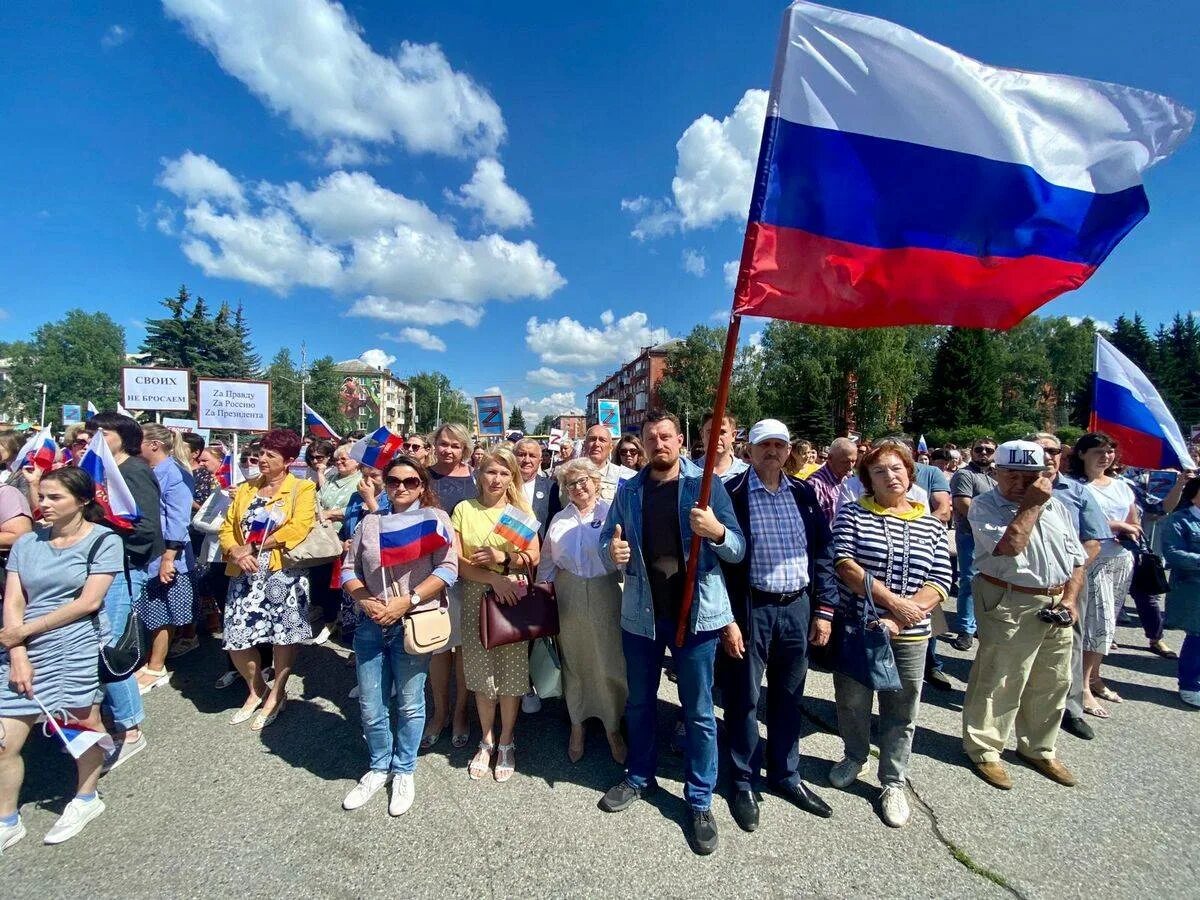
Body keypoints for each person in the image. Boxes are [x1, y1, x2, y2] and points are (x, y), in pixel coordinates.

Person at [597, 411, 745, 856]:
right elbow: (607, 545)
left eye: (666, 436)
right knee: (640, 702)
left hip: (695, 616)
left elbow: (737, 549)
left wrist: (716, 531)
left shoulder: (705, 487)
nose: (659, 443)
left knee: (698, 711)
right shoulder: (629, 490)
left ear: (680, 440)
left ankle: (699, 799)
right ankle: (639, 776)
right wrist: (613, 550)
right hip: (642, 617)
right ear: (642, 444)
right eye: (651, 437)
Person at [717, 419, 836, 832]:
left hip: (798, 608)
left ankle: (786, 775)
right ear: (748, 450)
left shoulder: (804, 493)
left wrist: (824, 610)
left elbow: (824, 553)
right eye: (764, 445)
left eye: (780, 445)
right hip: (753, 609)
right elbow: (718, 566)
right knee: (744, 699)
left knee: (789, 696)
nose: (773, 452)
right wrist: (728, 620)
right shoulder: (731, 495)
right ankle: (744, 780)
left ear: (790, 452)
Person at [827, 442, 951, 828]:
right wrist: (893, 602)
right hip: (859, 626)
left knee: (901, 707)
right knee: (852, 698)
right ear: (867, 479)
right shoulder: (852, 513)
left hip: (910, 632)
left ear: (910, 474)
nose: (890, 476)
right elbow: (845, 564)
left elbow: (941, 578)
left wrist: (902, 616)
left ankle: (893, 780)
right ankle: (854, 755)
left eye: (897, 469)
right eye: (879, 471)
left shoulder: (930, 523)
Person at [0, 467, 124, 848]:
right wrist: (17, 650)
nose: (44, 504)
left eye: (55, 498)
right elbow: (15, 601)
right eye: (43, 496)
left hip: (74, 644)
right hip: (22, 647)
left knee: (81, 724)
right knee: (5, 741)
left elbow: (89, 601)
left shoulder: (104, 541)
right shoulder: (26, 544)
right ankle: (7, 817)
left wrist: (24, 631)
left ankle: (86, 797)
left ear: (83, 501)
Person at [963, 441, 1087, 790]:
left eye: (1029, 476)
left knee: (1053, 680)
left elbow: (1076, 559)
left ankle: (1038, 747)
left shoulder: (1058, 507)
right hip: (1009, 599)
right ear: (995, 473)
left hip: (1056, 602)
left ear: (1045, 475)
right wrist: (1032, 503)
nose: (1019, 483)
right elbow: (1010, 546)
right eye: (1010, 474)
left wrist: (1071, 600)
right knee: (1001, 677)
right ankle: (984, 749)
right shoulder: (986, 507)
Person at [340, 456, 459, 815]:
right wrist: (365, 600)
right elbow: (349, 568)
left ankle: (404, 769)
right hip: (371, 623)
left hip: (412, 620)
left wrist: (408, 600)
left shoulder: (434, 519)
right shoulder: (370, 522)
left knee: (409, 702)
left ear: (422, 485)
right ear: (384, 484)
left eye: (410, 481)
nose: (401, 488)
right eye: (393, 481)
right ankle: (378, 766)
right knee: (371, 704)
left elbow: (448, 567)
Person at [451, 446, 541, 783]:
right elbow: (458, 561)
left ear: (512, 477)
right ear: (479, 473)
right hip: (477, 593)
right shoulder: (464, 509)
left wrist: (504, 561)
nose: (497, 479)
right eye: (491, 471)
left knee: (512, 672)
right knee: (481, 671)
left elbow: (533, 555)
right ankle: (486, 739)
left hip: (512, 596)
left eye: (505, 473)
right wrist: (492, 577)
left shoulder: (518, 511)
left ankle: (506, 741)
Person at [218, 429, 317, 731]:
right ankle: (256, 689)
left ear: (287, 461)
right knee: (235, 638)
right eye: (261, 453)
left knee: (282, 636)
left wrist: (259, 545)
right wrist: (235, 550)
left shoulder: (302, 488)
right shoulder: (247, 489)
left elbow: (299, 527)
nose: (261, 459)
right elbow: (227, 528)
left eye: (270, 455)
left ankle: (277, 694)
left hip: (282, 573)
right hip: (244, 573)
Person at [536, 459, 627, 763]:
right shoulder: (560, 519)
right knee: (574, 662)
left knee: (609, 661)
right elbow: (547, 560)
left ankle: (613, 725)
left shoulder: (613, 513)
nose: (579, 487)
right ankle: (578, 724)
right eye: (571, 483)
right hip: (568, 594)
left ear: (597, 481)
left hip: (606, 591)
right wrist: (542, 594)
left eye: (584, 480)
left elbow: (626, 555)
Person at [83, 412, 160, 771]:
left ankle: (130, 730)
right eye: (90, 431)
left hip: (119, 567)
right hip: (90, 567)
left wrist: (105, 532)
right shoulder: (96, 469)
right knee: (92, 644)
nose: (92, 437)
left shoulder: (134, 471)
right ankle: (101, 718)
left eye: (101, 432)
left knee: (112, 646)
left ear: (122, 437)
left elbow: (144, 527)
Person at [1070, 432, 1138, 718]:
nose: (1106, 455)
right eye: (1099, 450)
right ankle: (1082, 686)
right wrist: (1117, 524)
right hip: (1092, 560)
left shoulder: (1123, 486)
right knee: (1097, 623)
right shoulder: (1074, 486)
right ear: (1082, 453)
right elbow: (1078, 522)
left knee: (1107, 627)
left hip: (1120, 559)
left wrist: (1128, 528)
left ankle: (1095, 676)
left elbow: (1134, 519)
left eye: (1110, 450)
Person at [423, 422, 477, 749]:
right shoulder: (421, 476)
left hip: (466, 574)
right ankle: (439, 711)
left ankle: (460, 712)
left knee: (463, 650)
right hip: (428, 573)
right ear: (434, 444)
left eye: (455, 446)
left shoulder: (475, 480)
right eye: (443, 443)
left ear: (465, 450)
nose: (448, 450)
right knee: (438, 647)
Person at [133, 424, 198, 694]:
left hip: (168, 555)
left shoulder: (174, 473)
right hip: (149, 553)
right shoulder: (149, 471)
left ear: (154, 445)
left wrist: (168, 557)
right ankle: (150, 658)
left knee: (162, 611)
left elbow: (179, 519)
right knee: (150, 609)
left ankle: (157, 665)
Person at [1123, 465, 1191, 657]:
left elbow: (1160, 509)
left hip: (1136, 552)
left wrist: (1179, 484)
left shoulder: (1128, 486)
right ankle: (1103, 641)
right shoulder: (1079, 486)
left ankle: (1156, 638)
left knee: (1147, 597)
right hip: (1101, 554)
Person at [949, 437, 998, 651]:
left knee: (992, 582)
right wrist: (990, 523)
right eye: (979, 449)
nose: (983, 453)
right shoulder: (964, 474)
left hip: (995, 538)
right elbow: (963, 505)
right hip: (971, 535)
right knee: (969, 581)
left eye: (988, 450)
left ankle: (981, 624)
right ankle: (965, 629)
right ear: (972, 451)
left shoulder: (997, 477)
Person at [310, 443, 362, 645]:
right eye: (337, 459)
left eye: (344, 459)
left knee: (339, 583)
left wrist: (331, 513)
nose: (339, 462)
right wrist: (321, 513)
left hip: (343, 536)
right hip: (322, 536)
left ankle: (337, 622)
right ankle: (329, 619)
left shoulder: (359, 481)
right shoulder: (331, 478)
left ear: (356, 462)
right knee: (322, 580)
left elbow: (355, 507)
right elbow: (319, 499)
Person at [1163, 476, 1200, 708]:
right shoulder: (1180, 519)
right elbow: (1173, 553)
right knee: (1197, 637)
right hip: (1192, 588)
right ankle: (1189, 685)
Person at [807, 437, 858, 525]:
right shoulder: (814, 485)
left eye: (853, 461)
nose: (850, 467)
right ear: (830, 458)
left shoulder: (850, 479)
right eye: (845, 461)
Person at [514, 438, 553, 537]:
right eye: (522, 455)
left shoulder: (552, 488)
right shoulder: (502, 486)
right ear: (513, 457)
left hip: (539, 549)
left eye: (532, 456)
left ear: (540, 461)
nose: (527, 460)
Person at [696, 413, 749, 482]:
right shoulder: (688, 472)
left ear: (733, 435)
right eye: (711, 432)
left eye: (722, 432)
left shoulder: (745, 473)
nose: (716, 438)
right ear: (702, 435)